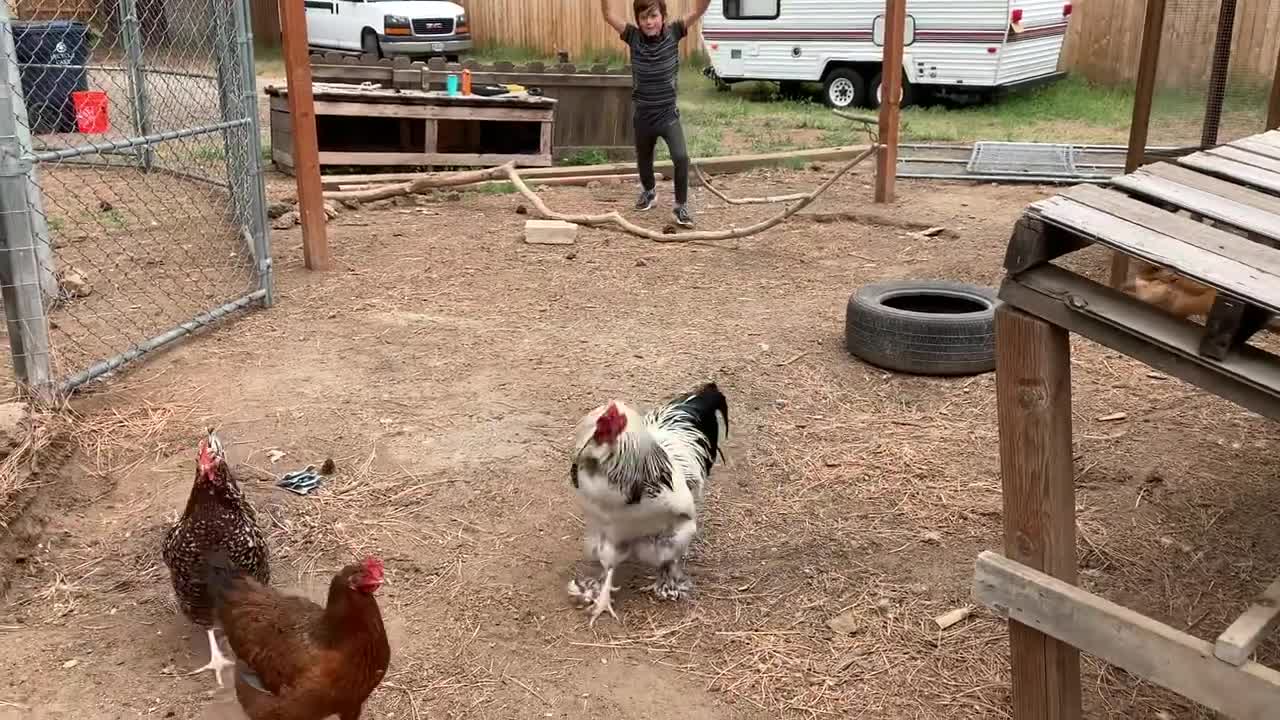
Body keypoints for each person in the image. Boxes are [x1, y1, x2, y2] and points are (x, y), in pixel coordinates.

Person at [600, 0, 711, 228]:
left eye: (653, 16)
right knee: (644, 158)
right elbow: (609, 15)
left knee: (681, 157)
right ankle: (649, 192)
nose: (649, 22)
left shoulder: (674, 32)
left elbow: (699, 10)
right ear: (638, 20)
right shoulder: (633, 36)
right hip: (643, 115)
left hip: (667, 115)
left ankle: (681, 207)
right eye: (643, 17)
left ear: (663, 16)